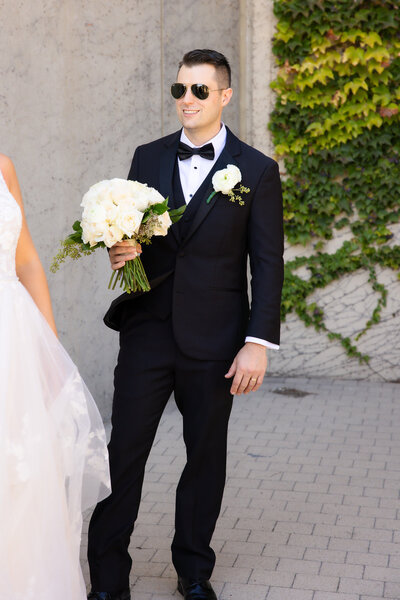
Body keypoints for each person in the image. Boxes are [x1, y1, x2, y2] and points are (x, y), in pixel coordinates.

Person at [87, 49, 284, 600]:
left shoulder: (257, 171)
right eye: (180, 90)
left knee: (205, 457)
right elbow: (127, 234)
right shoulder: (147, 158)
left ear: (224, 96)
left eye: (199, 90)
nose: (187, 101)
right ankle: (106, 580)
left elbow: (267, 263)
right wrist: (119, 249)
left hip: (217, 340)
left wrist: (256, 343)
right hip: (147, 331)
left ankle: (194, 570)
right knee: (123, 453)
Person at [0, 153, 111, 599]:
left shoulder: (4, 165)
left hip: (14, 338)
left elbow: (24, 260)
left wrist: (49, 345)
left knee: (26, 468)